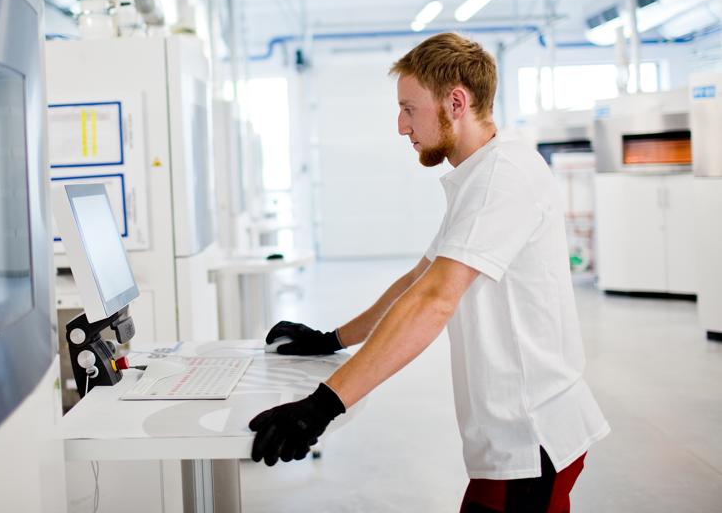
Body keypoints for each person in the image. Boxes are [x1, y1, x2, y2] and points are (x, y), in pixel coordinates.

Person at [249, 33, 610, 513]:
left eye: (409, 109)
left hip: (531, 438)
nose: (401, 126)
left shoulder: (503, 178)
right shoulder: (481, 173)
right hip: (510, 437)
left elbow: (435, 300)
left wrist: (323, 405)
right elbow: (417, 282)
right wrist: (332, 339)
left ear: (455, 102)